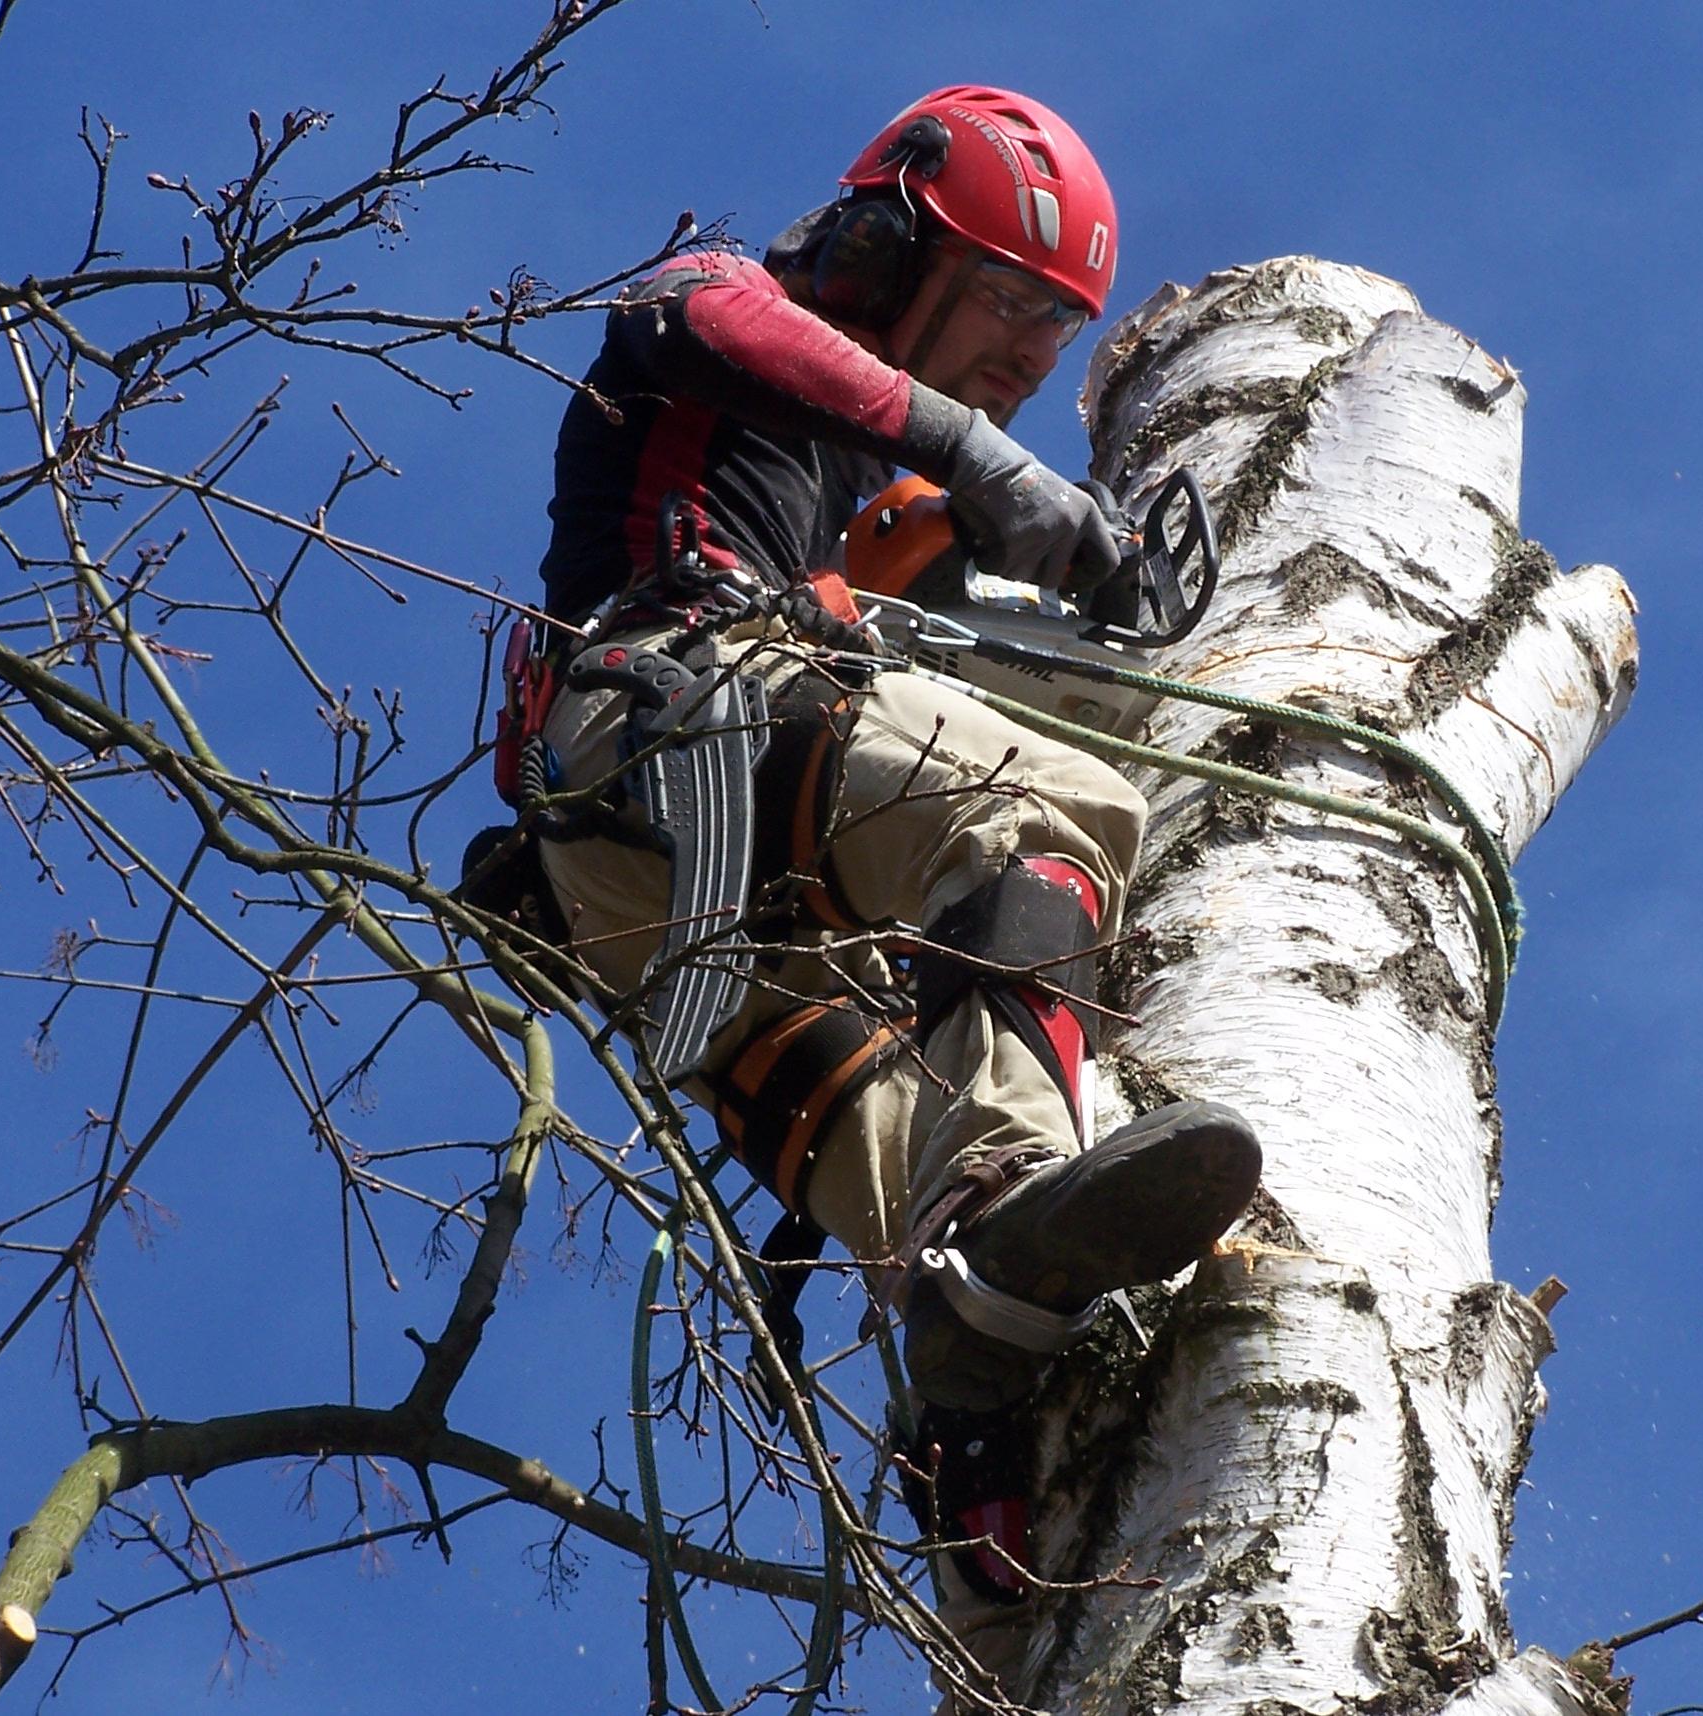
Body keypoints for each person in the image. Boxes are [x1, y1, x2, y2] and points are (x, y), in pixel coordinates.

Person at [517, 87, 1261, 1599]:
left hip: (636, 871)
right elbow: (708, 322)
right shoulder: (720, 303)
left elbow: (896, 584)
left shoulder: (847, 497)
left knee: (881, 1102)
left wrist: (1012, 567)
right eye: (1009, 300)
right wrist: (983, 465)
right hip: (683, 710)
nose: (1029, 360)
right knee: (1050, 812)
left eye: (1057, 331)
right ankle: (1001, 1210)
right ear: (887, 244)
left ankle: (981, 1429)